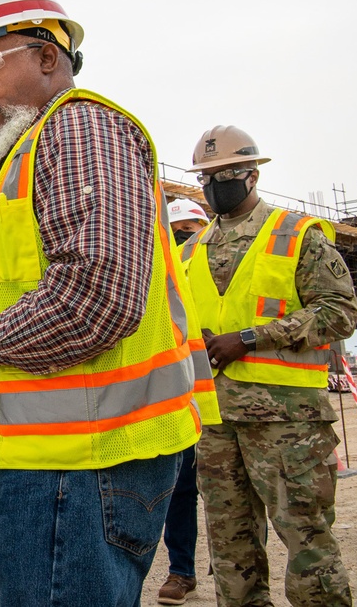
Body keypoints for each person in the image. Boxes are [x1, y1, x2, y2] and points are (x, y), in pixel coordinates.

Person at [0, 0, 219, 607]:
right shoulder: (33, 152)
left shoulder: (75, 130)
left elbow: (96, 297)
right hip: (69, 462)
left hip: (79, 467)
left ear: (49, 58)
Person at [182, 125, 357, 607]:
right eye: (208, 177)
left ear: (252, 174)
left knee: (307, 541)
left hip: (289, 423)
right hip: (216, 422)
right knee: (230, 548)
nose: (218, 183)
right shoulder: (191, 249)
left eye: (228, 173)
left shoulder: (297, 235)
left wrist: (252, 337)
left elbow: (338, 311)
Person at [157, 198, 212, 605]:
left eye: (188, 230)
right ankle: (182, 571)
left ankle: (238, 566)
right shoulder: (165, 263)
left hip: (243, 393)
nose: (181, 239)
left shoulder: (225, 255)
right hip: (188, 390)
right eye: (176, 231)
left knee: (236, 490)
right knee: (181, 489)